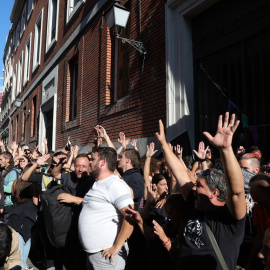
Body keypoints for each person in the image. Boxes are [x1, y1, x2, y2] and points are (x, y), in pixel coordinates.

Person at [155, 112, 246, 269]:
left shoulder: (229, 218)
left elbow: (237, 192)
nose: (193, 188)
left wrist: (225, 150)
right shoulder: (196, 203)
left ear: (214, 193)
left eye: (199, 186)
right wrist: (163, 144)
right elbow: (181, 174)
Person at [78, 147, 134, 270]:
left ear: (102, 162)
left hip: (107, 256)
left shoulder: (114, 184)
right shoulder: (99, 183)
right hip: (95, 255)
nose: (90, 162)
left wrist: (117, 247)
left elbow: (130, 217)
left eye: (93, 159)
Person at [51, 153, 95, 270]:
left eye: (83, 166)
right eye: (77, 166)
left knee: (80, 258)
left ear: (89, 167)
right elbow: (54, 173)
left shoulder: (92, 181)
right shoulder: (70, 176)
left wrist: (73, 199)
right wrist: (60, 163)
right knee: (66, 256)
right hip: (66, 223)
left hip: (83, 225)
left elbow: (94, 202)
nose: (80, 169)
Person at [0, 152, 21, 222]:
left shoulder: (13, 172)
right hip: (3, 203)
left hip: (9, 205)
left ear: (7, 160)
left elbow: (10, 189)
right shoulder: (4, 171)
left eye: (1, 159)